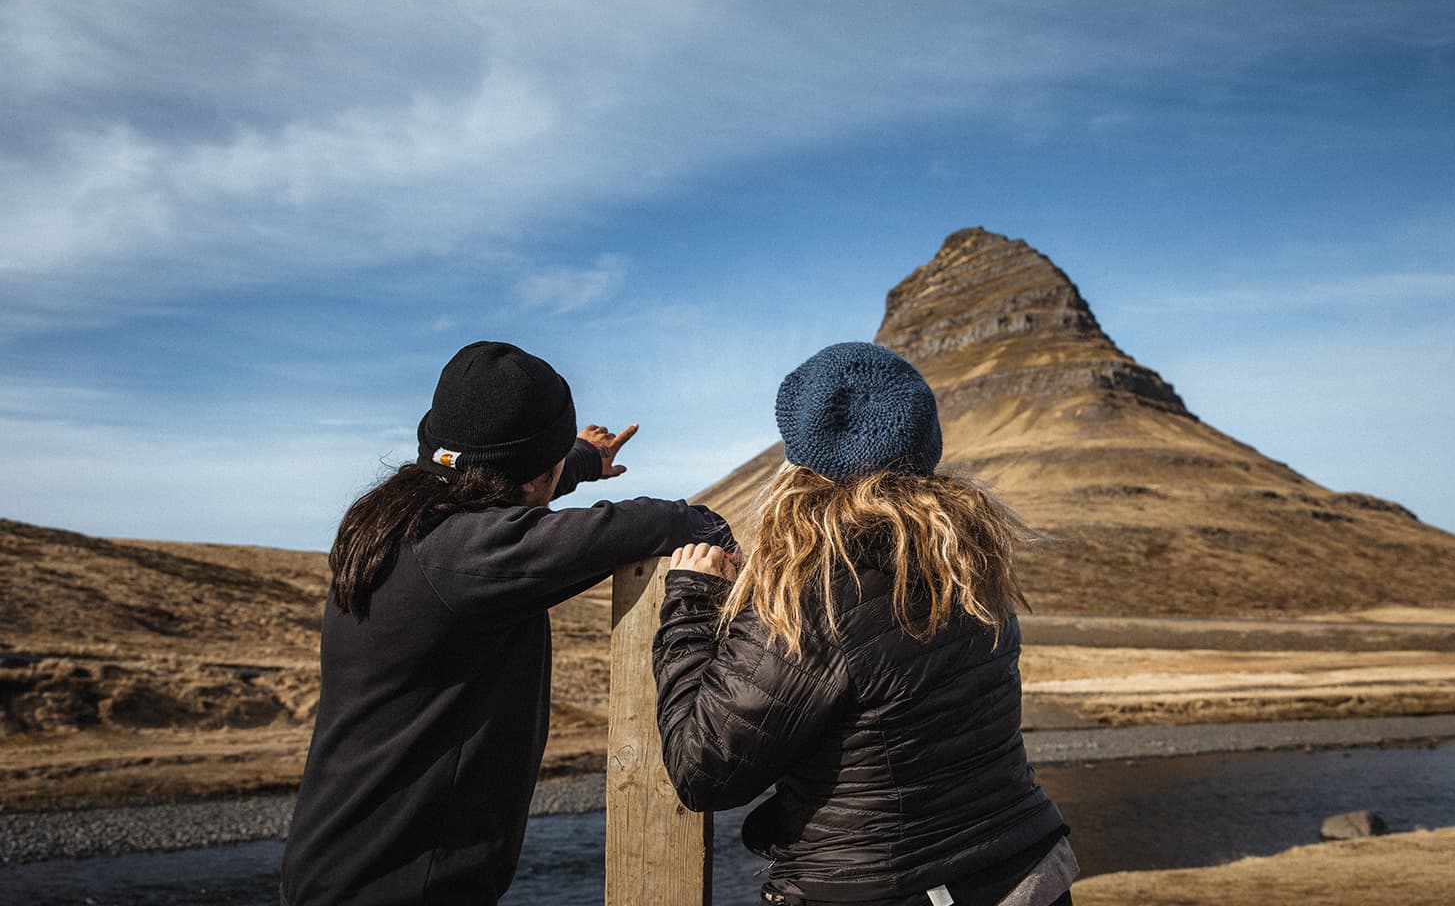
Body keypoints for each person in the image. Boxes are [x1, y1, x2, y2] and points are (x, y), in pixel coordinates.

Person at [281, 340, 727, 906]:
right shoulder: (466, 557)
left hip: (337, 868)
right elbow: (631, 527)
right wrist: (702, 524)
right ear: (537, 474)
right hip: (403, 888)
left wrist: (580, 461)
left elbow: (495, 487)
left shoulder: (399, 520)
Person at [654, 341, 1076, 906]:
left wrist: (692, 603)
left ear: (801, 456)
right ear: (924, 444)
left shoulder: (817, 593)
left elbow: (702, 768)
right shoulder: (970, 561)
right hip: (1027, 871)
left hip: (903, 891)